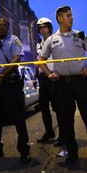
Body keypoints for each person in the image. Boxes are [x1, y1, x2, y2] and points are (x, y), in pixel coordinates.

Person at [39, 6, 87, 165]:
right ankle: (73, 155)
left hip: (80, 83)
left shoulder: (80, 35)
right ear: (60, 18)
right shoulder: (52, 40)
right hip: (62, 86)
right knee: (66, 122)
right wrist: (48, 74)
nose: (71, 18)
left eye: (72, 15)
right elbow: (40, 60)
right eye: (68, 15)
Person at [0, 17, 30, 164]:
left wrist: (1, 76)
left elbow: (17, 60)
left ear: (8, 28)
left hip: (10, 85)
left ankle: (24, 150)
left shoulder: (13, 40)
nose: (0, 27)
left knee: (18, 119)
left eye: (3, 25)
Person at [33, 17, 65, 147]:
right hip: (43, 78)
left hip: (55, 77)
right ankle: (49, 131)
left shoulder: (56, 40)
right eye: (40, 28)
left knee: (57, 107)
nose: (42, 29)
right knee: (43, 106)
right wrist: (35, 76)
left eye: (44, 27)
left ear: (49, 28)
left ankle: (62, 135)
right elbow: (39, 61)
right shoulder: (39, 43)